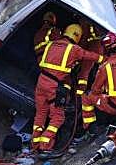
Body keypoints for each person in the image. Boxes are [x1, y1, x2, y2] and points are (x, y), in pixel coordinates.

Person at [32, 24, 103, 153]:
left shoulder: (51, 44)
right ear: (77, 36)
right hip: (53, 86)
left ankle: (35, 144)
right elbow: (90, 56)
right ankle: (45, 145)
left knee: (41, 114)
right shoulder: (74, 49)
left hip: (41, 82)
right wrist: (104, 58)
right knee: (58, 117)